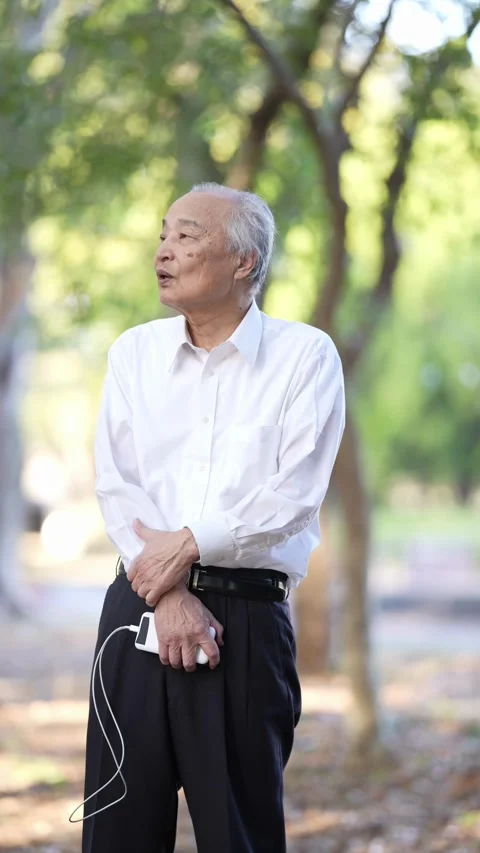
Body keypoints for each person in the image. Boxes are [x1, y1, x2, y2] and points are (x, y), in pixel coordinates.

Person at [81, 182, 345, 853]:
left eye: (187, 235)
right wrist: (167, 588)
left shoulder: (304, 357)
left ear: (243, 262)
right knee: (116, 833)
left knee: (240, 835)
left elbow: (293, 494)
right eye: (164, 234)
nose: (164, 250)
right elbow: (118, 484)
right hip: (136, 612)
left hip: (246, 626)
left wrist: (192, 545)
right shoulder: (134, 353)